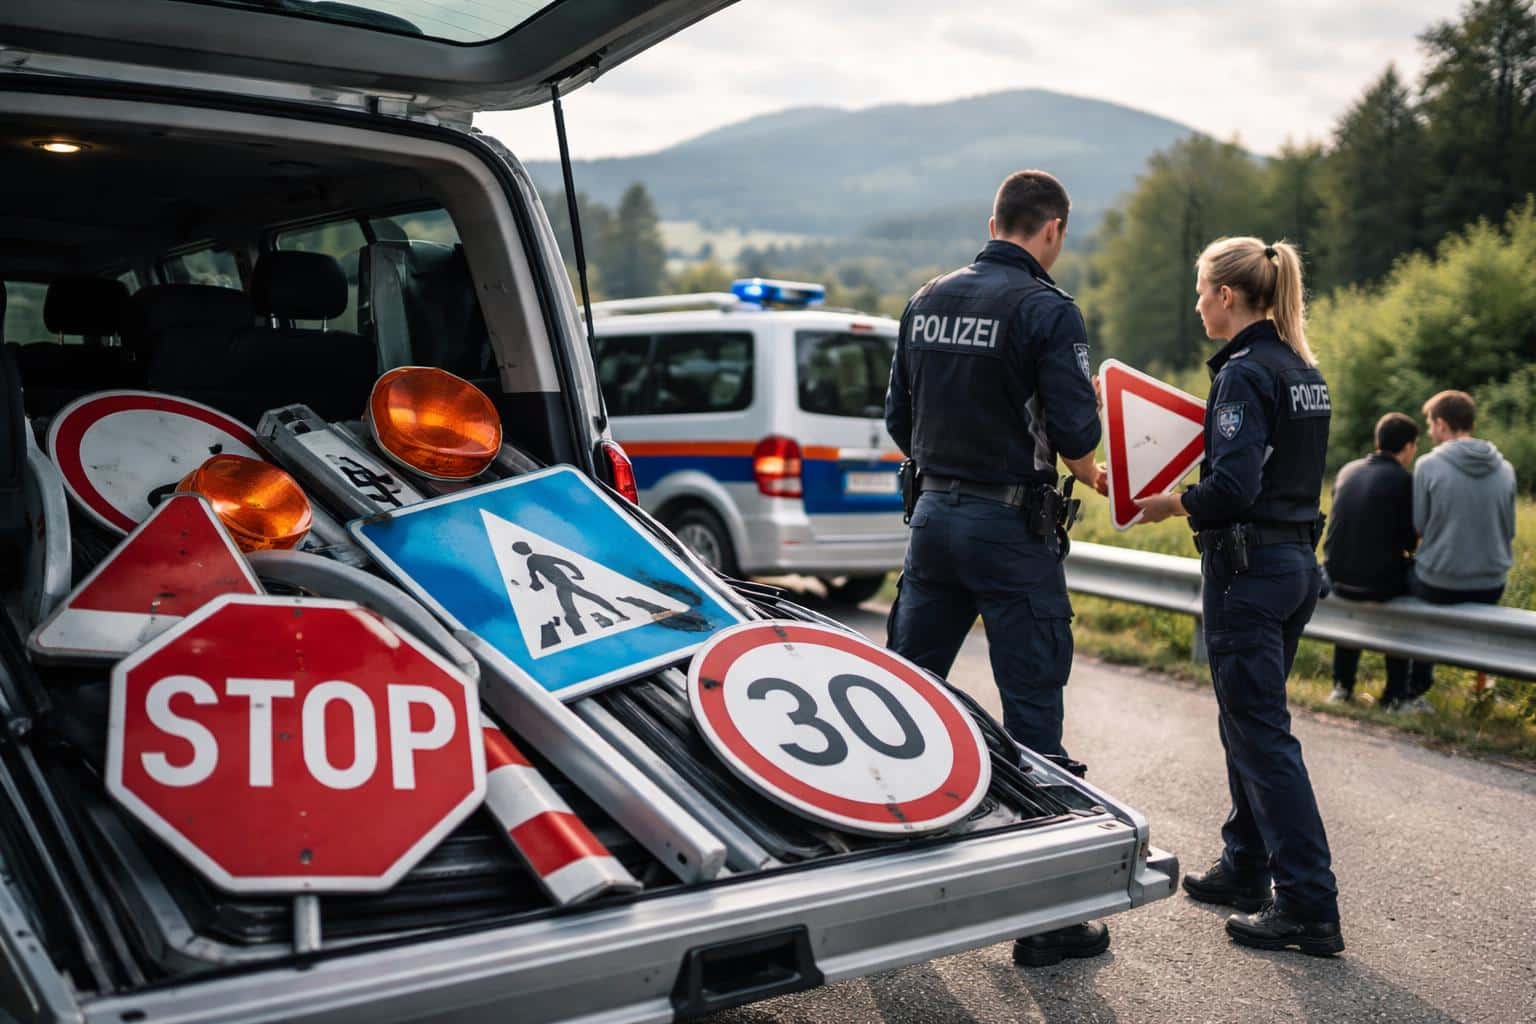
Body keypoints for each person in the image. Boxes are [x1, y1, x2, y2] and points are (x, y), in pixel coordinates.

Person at [884, 169, 1108, 968]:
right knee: (1034, 717)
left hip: (933, 519)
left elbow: (897, 421)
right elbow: (1079, 441)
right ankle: (1047, 922)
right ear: (1052, 230)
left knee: (901, 700)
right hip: (1011, 528)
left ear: (994, 221)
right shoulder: (1048, 311)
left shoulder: (925, 299)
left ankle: (872, 893)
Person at [1132, 236, 1343, 956]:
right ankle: (1247, 865)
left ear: (1228, 296)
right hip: (1292, 568)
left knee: (1261, 736)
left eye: (1201, 291)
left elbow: (1231, 489)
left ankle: (1309, 906)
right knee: (1249, 726)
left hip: (1248, 575)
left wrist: (1167, 505)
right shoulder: (1302, 368)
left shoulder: (1246, 375)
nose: (1197, 304)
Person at [1405, 389, 1518, 707]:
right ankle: (1482, 691)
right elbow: (1508, 530)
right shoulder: (1505, 469)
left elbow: (1420, 527)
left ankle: (1416, 691)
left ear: (1441, 424)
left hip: (1439, 584)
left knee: (1410, 585)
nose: (1429, 432)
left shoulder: (1428, 465)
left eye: (1430, 424)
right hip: (1491, 584)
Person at [1322, 412, 1429, 709]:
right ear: (1407, 447)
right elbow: (1409, 543)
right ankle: (1397, 694)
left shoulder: (1347, 471)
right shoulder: (1405, 481)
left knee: (1363, 578)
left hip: (1336, 576)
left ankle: (1342, 686)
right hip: (1377, 584)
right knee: (1414, 591)